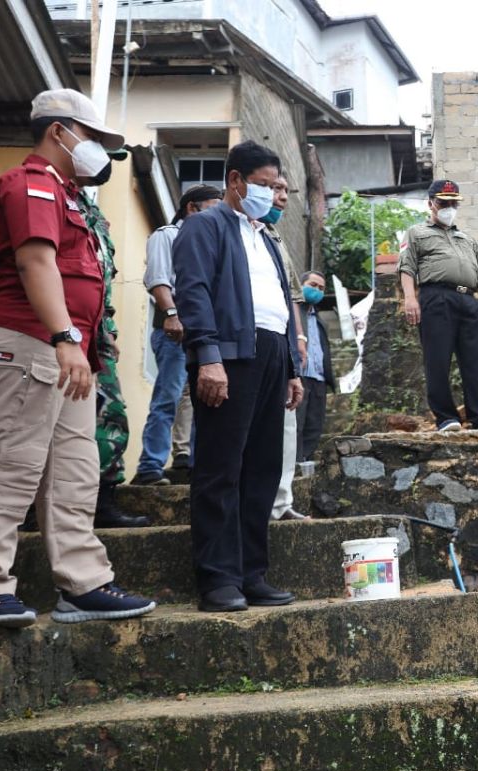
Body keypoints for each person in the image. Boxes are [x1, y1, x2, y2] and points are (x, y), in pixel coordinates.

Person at [0, 88, 155, 626]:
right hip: (26, 339)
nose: (98, 152)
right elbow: (36, 264)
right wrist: (66, 336)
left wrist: (83, 343)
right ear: (59, 131)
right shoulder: (32, 184)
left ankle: (83, 583)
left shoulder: (73, 199)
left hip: (67, 351)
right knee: (11, 461)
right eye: (91, 137)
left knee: (75, 468)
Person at [172, 139, 303, 612]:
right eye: (264, 186)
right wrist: (208, 357)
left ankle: (252, 574)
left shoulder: (264, 237)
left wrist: (290, 367)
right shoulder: (205, 227)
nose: (270, 195)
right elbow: (193, 291)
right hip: (229, 355)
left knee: (263, 469)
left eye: (274, 186)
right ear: (236, 181)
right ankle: (218, 578)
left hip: (270, 353)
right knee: (221, 469)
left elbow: (281, 306)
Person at [399, 179, 478, 432]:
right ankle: (446, 418)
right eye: (443, 202)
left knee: (476, 361)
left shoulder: (467, 239)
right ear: (431, 204)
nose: (448, 207)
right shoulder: (416, 233)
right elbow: (407, 267)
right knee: (438, 359)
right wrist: (410, 298)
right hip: (436, 297)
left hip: (469, 301)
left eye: (453, 203)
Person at [134, 185, 223, 485]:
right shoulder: (167, 234)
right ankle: (150, 467)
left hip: (201, 334)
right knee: (168, 396)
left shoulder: (210, 242)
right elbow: (158, 278)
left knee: (198, 398)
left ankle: (190, 461)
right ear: (192, 208)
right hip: (174, 330)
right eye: (213, 205)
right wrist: (171, 314)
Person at [78, 178, 152, 528]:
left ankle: (103, 503)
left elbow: (99, 283)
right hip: (63, 335)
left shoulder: (95, 216)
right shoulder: (47, 196)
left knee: (111, 419)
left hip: (97, 337)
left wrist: (107, 329)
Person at [263, 173, 310, 522]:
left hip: (281, 342)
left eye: (285, 190)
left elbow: (293, 294)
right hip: (249, 342)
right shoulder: (235, 230)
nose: (283, 198)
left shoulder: (276, 237)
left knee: (286, 423)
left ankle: (281, 502)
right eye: (276, 189)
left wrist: (299, 340)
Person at [295, 270, 335, 462]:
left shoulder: (320, 321)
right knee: (296, 423)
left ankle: (304, 461)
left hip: (318, 379)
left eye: (321, 288)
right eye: (312, 285)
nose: (317, 291)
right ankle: (292, 465)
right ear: (300, 285)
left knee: (314, 426)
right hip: (299, 377)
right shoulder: (293, 314)